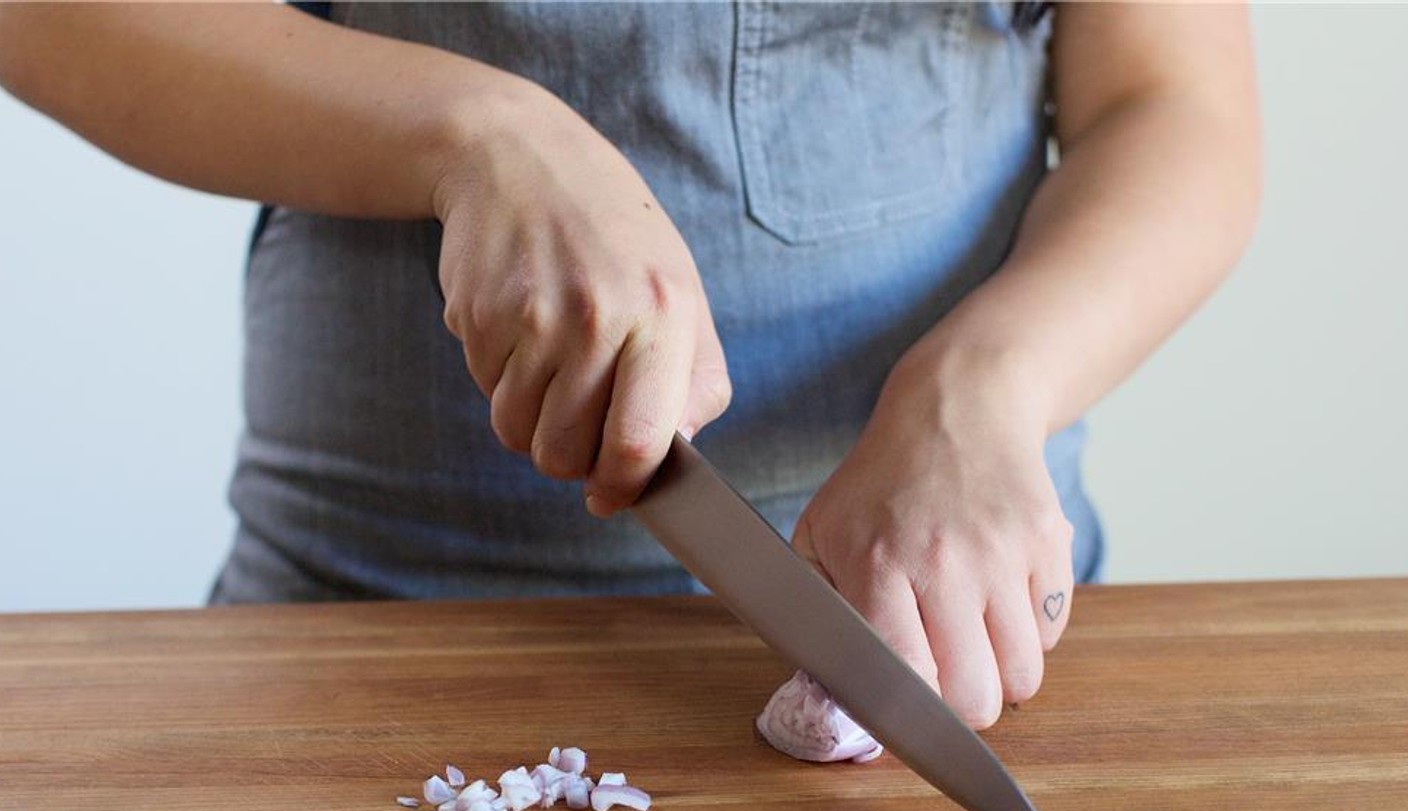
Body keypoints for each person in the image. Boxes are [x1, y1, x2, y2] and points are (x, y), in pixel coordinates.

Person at [0, 2, 1259, 730]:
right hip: (368, 620)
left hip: (957, 634)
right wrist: (479, 130)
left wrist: (980, 392)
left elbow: (1170, 103)